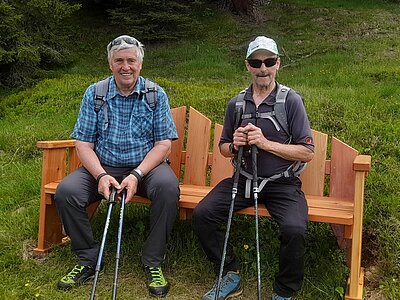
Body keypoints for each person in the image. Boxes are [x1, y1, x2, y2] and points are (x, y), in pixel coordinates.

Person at [54, 35, 179, 298]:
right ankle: (89, 259)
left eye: (131, 60)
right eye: (119, 61)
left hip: (147, 168)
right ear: (111, 65)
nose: (126, 66)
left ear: (140, 64)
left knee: (168, 188)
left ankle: (152, 261)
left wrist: (136, 174)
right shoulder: (95, 93)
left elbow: (163, 144)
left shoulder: (156, 94)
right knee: (66, 191)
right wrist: (100, 175)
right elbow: (84, 144)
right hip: (104, 165)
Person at [193, 36, 315, 300]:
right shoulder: (236, 104)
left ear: (278, 64)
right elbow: (223, 147)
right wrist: (234, 146)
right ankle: (229, 274)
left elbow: (307, 152)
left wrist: (266, 143)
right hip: (243, 179)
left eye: (269, 62)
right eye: (256, 62)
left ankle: (284, 290)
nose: (263, 68)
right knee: (203, 214)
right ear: (247, 66)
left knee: (294, 229)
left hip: (282, 182)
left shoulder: (290, 101)